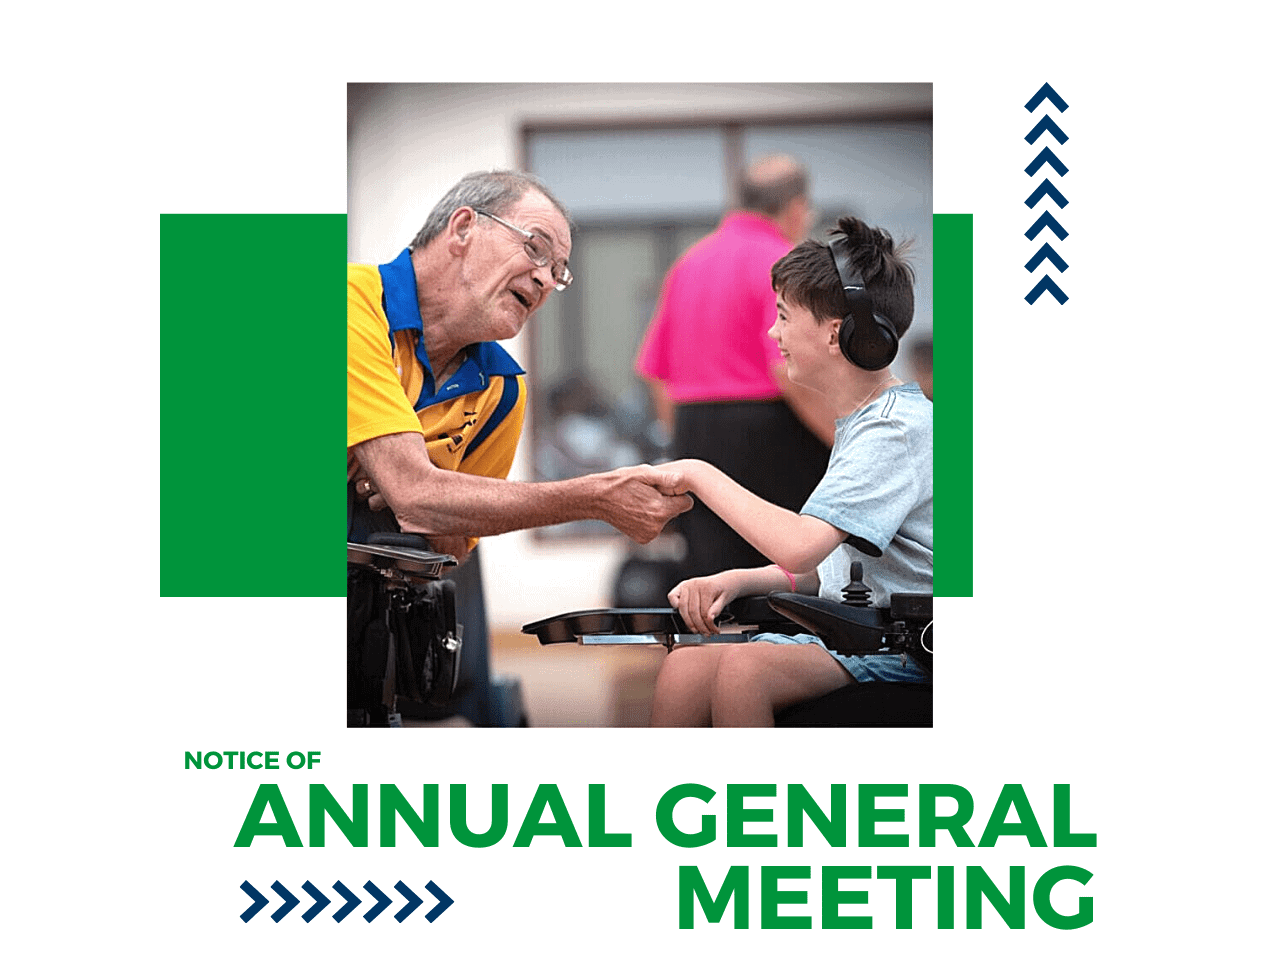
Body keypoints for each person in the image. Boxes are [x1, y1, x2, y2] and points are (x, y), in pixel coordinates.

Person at [648, 215, 932, 727]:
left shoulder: (896, 430)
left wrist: (696, 472)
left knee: (746, 669)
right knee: (685, 667)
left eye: (783, 316)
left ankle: (759, 806)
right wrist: (739, 579)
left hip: (907, 650)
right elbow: (838, 570)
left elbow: (801, 545)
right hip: (865, 635)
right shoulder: (863, 424)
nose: (771, 331)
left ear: (836, 333)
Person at [348, 170, 692, 552]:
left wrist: (427, 496)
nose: (546, 280)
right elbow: (414, 494)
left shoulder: (503, 389)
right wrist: (594, 497)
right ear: (463, 228)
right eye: (535, 248)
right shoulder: (351, 302)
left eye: (558, 272)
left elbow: (453, 548)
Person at [633, 155, 838, 582]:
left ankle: (720, 651)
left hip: (694, 430)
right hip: (772, 431)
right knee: (785, 577)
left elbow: (654, 371)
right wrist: (843, 439)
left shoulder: (689, 263)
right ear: (797, 209)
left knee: (714, 580)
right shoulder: (784, 261)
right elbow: (786, 370)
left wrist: (685, 448)